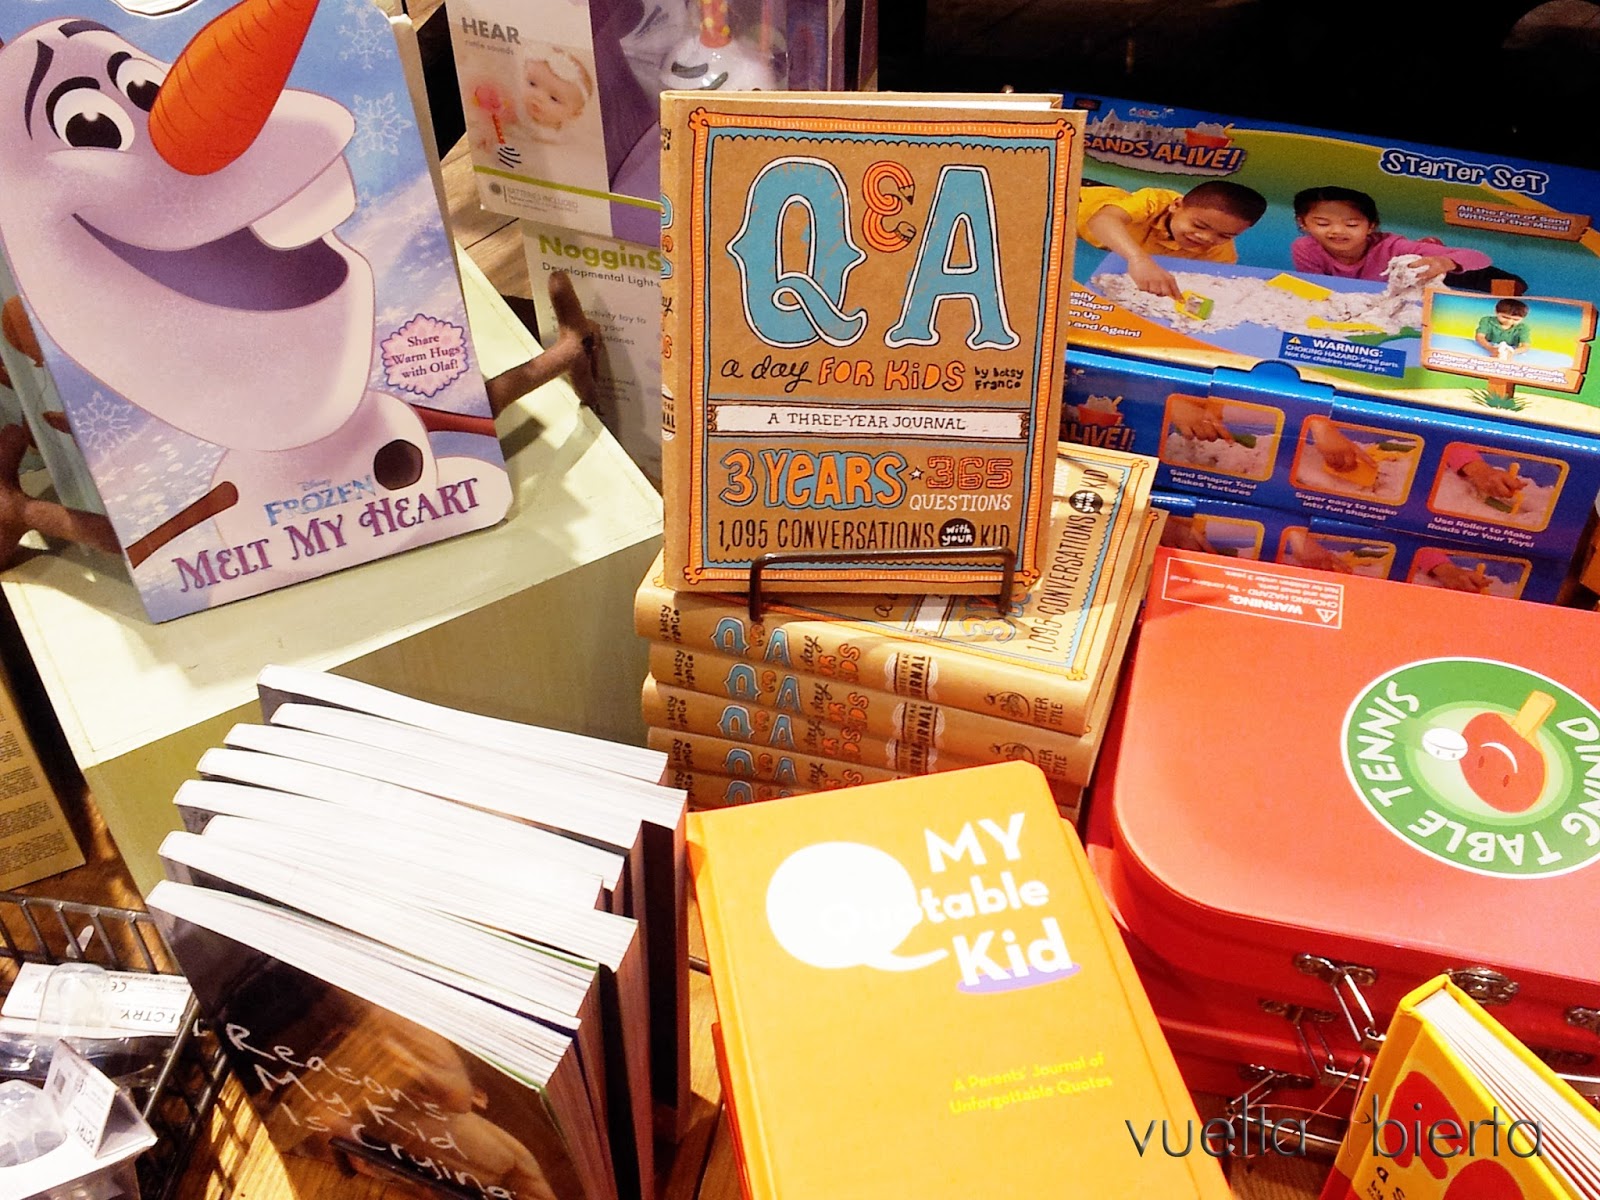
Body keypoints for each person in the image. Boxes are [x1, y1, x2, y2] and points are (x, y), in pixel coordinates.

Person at [1291, 186, 1523, 293]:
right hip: (1393, 295)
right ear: (1303, 223)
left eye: (1351, 225)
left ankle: (1433, 247)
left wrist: (1444, 262)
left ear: (1371, 226)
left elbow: (1478, 257)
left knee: (1512, 287)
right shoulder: (1305, 248)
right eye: (1322, 223)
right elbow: (1321, 291)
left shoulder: (1394, 248)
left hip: (1452, 274)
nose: (1337, 231)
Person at [1078, 180, 1267, 299]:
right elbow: (1101, 221)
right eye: (1199, 226)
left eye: (1224, 235)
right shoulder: (1153, 202)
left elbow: (1214, 286)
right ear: (1176, 206)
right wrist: (1138, 259)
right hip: (1074, 199)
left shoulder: (1220, 252)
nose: (1206, 237)